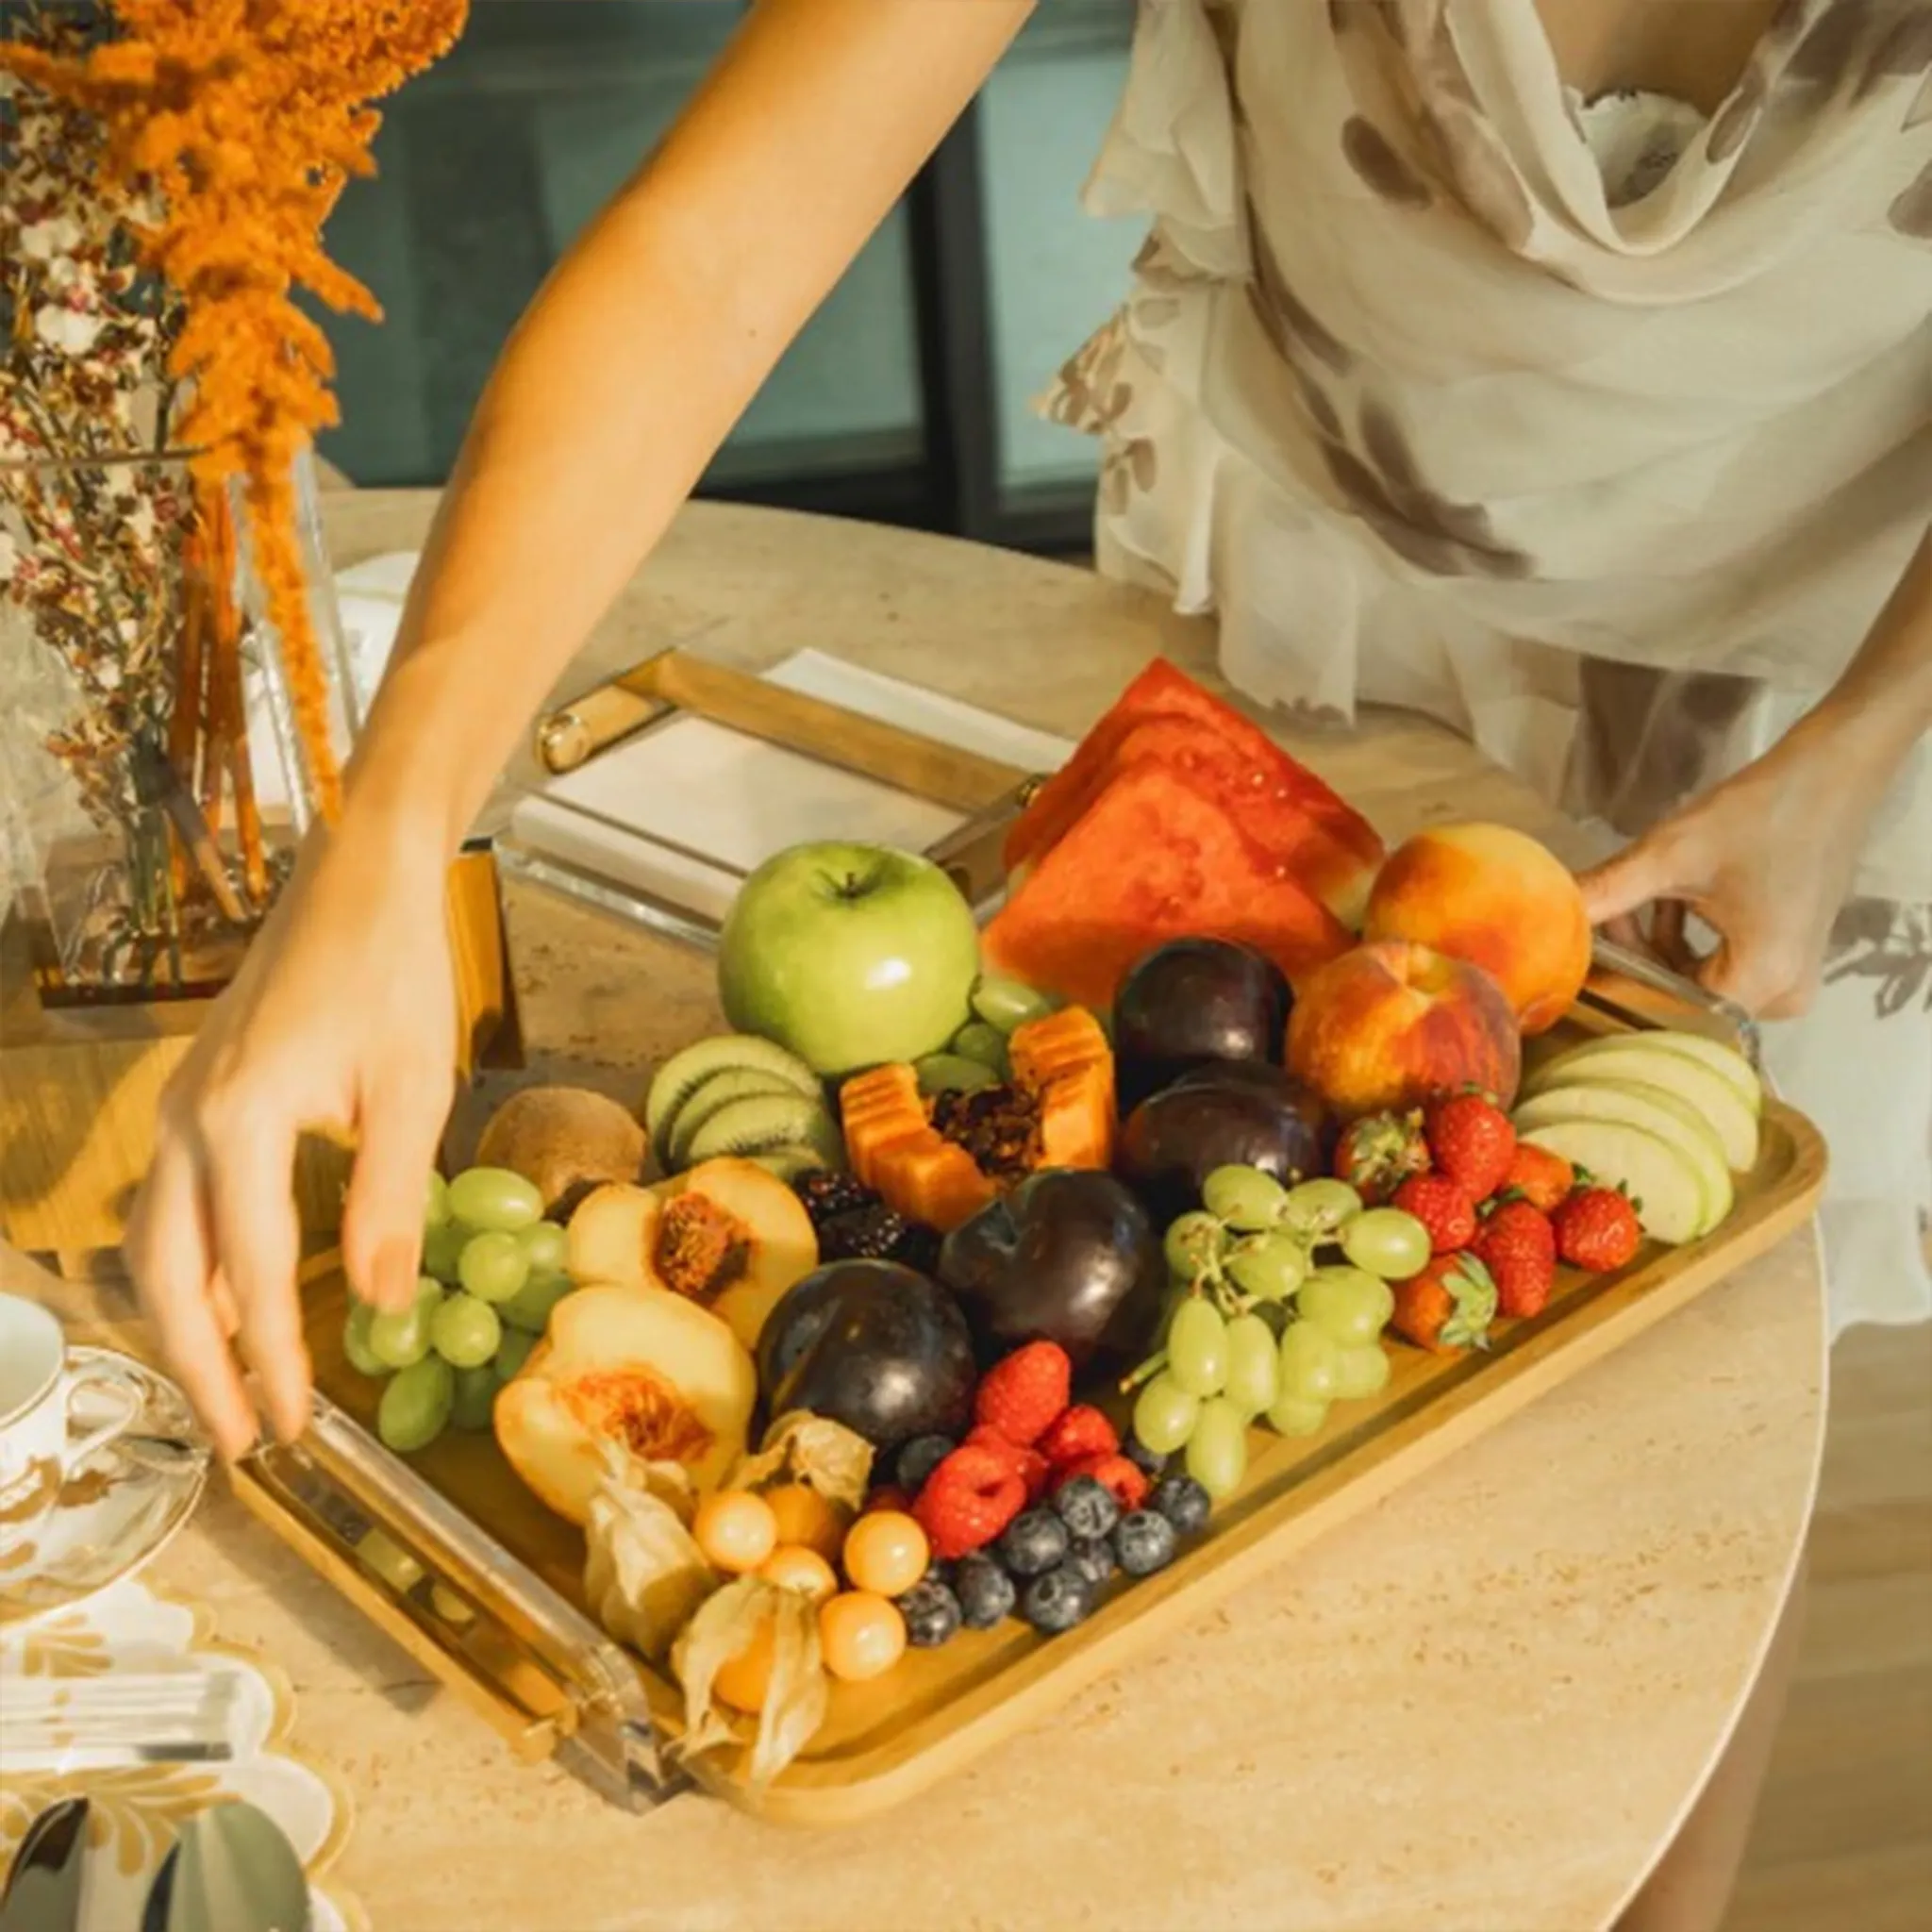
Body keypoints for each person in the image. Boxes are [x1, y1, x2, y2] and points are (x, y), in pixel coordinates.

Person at [124, 4, 1927, 1927]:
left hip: (1840, 677)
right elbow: (714, 250)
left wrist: (1864, 741)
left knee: (1694, 1469)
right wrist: (386, 833)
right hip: (1336, 613)